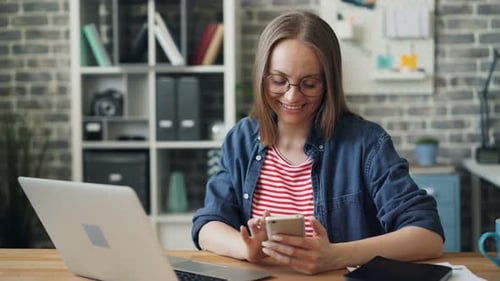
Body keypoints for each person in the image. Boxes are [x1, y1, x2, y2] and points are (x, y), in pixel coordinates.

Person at [191, 11, 444, 275]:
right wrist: (246, 249)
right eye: (278, 81)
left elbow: (428, 236)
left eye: (309, 84)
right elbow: (208, 224)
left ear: (328, 84)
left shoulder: (367, 144)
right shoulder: (240, 139)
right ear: (262, 78)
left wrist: (336, 256)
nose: (291, 95)